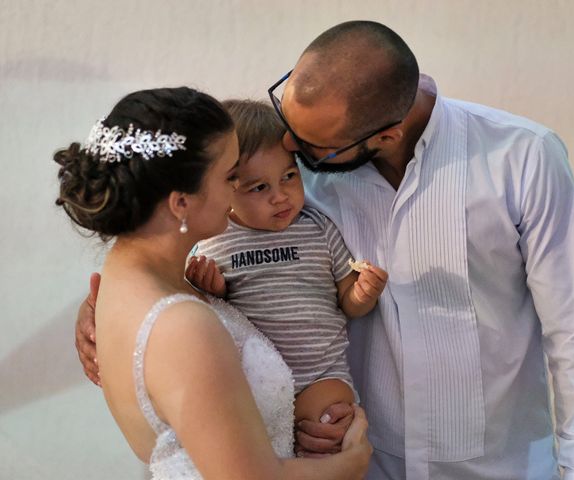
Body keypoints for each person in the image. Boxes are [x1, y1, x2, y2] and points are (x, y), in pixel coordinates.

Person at [75, 21, 574, 480]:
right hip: (353, 459)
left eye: (307, 149)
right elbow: (188, 208)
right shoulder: (291, 174)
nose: (286, 149)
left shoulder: (522, 159)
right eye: (284, 117)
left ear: (382, 135)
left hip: (500, 467)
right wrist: (131, 309)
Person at [57, 87, 371, 479]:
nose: (236, 190)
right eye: (229, 176)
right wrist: (353, 461)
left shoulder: (126, 283)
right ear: (181, 202)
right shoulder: (181, 325)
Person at [184, 99, 388, 426]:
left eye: (290, 176)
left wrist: (363, 294)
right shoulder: (213, 242)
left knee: (328, 422)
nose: (280, 196)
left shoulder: (319, 229)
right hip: (252, 379)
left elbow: (347, 303)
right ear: (225, 189)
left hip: (322, 373)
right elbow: (209, 320)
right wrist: (215, 292)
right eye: (260, 187)